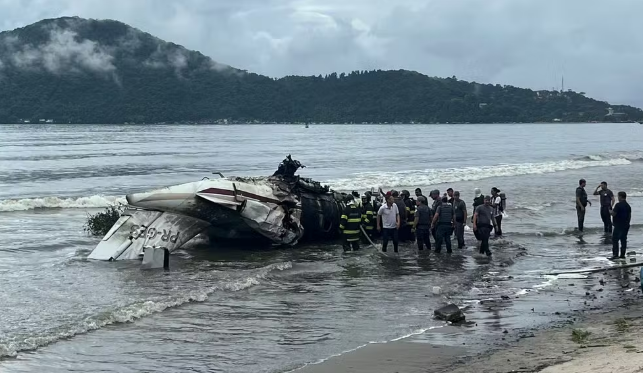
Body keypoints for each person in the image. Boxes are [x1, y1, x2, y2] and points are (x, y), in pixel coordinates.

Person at [610, 191, 631, 259]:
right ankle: (622, 254)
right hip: (626, 225)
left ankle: (615, 255)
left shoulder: (618, 205)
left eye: (618, 196)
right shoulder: (628, 206)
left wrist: (610, 211)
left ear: (621, 197)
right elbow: (629, 216)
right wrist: (627, 223)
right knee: (623, 239)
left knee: (615, 239)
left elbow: (614, 214)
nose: (618, 197)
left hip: (618, 225)